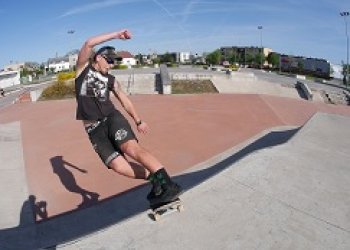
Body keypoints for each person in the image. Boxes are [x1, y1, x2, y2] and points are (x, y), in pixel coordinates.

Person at [74, 29, 182, 206]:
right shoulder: (82, 71)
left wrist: (138, 120)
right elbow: (88, 43)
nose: (111, 65)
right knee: (118, 166)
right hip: (93, 130)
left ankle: (169, 184)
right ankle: (155, 180)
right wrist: (116, 35)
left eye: (113, 62)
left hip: (111, 118)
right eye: (109, 61)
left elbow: (125, 101)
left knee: (131, 149)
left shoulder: (111, 80)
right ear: (98, 58)